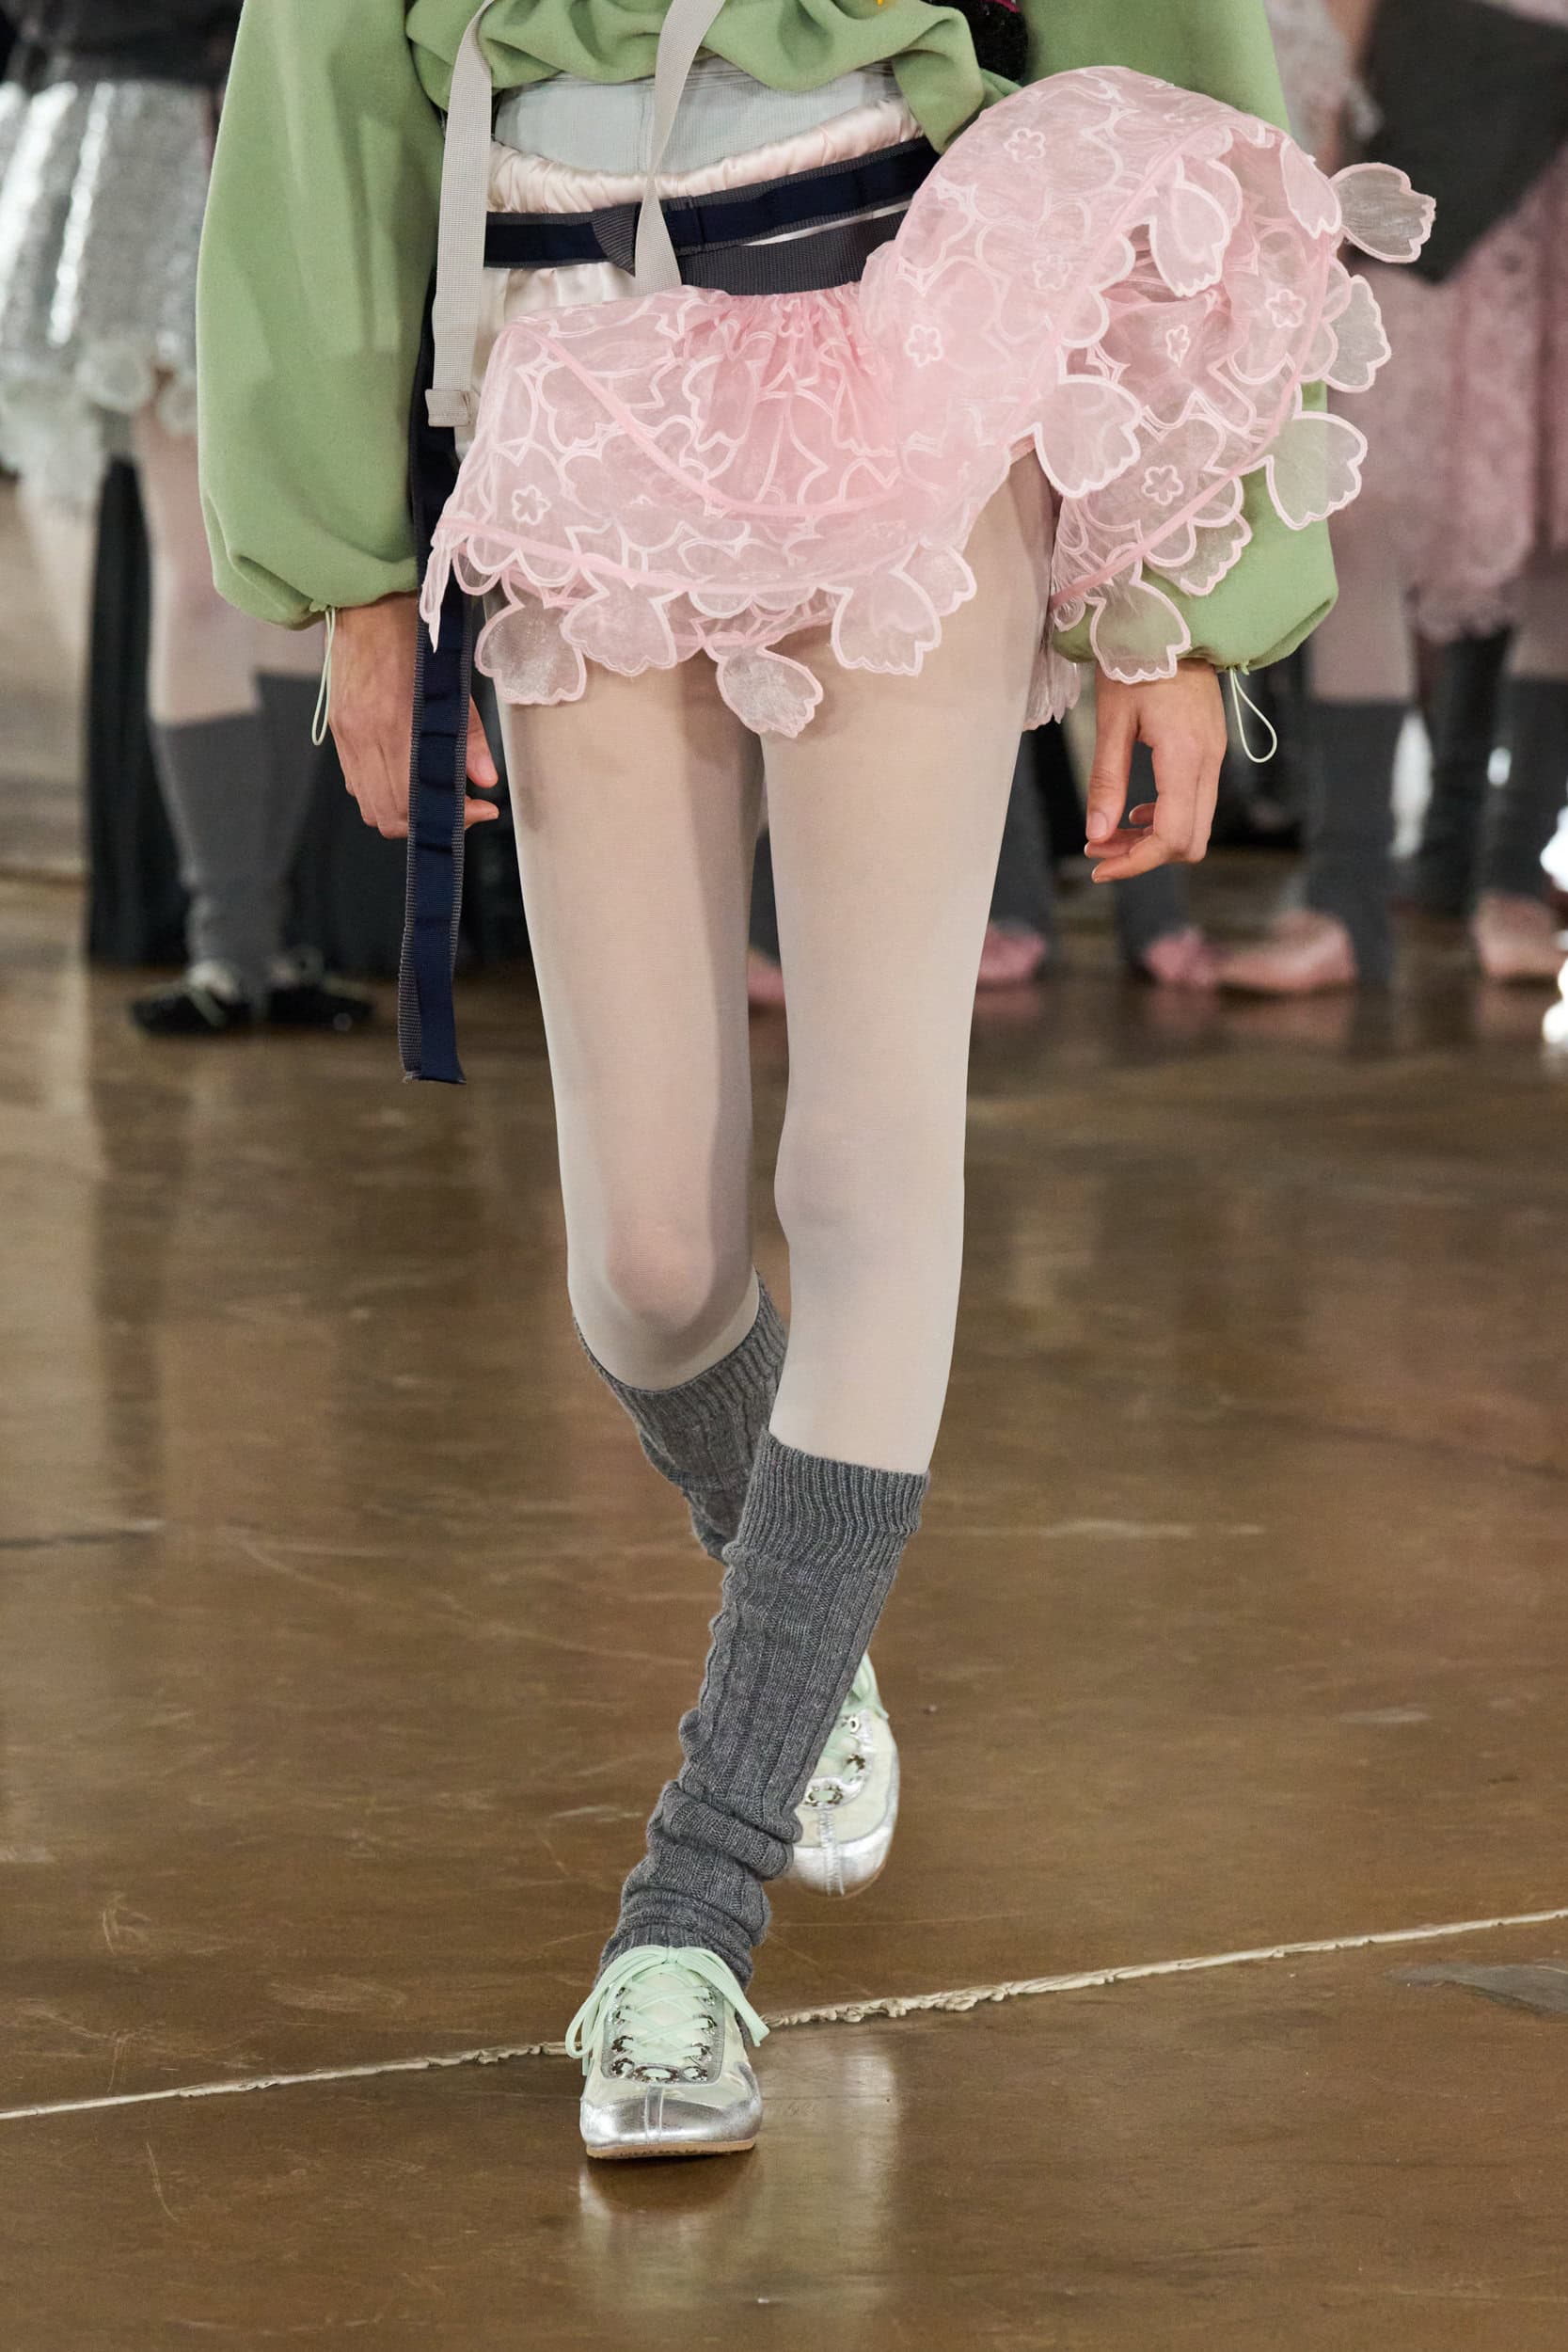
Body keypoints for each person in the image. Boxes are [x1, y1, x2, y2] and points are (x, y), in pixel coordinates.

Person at [198, 0, 1427, 2160]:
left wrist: (1174, 602)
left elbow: (1161, 36)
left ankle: (692, 1911)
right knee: (647, 1261)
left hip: (901, 337)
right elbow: (313, 88)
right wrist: (351, 581)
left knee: (867, 1163)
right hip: (568, 382)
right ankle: (799, 1593)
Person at [0, 2, 371, 1035]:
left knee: (296, 567)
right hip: (159, 144)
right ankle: (229, 943)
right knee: (201, 560)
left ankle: (262, 939)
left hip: (297, 132)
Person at [1219, 0, 1568, 993]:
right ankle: (1343, 897)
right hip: (1428, 180)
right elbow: (1339, 28)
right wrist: (1316, 217)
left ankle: (1511, 882)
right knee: (1356, 515)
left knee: (1559, 539)